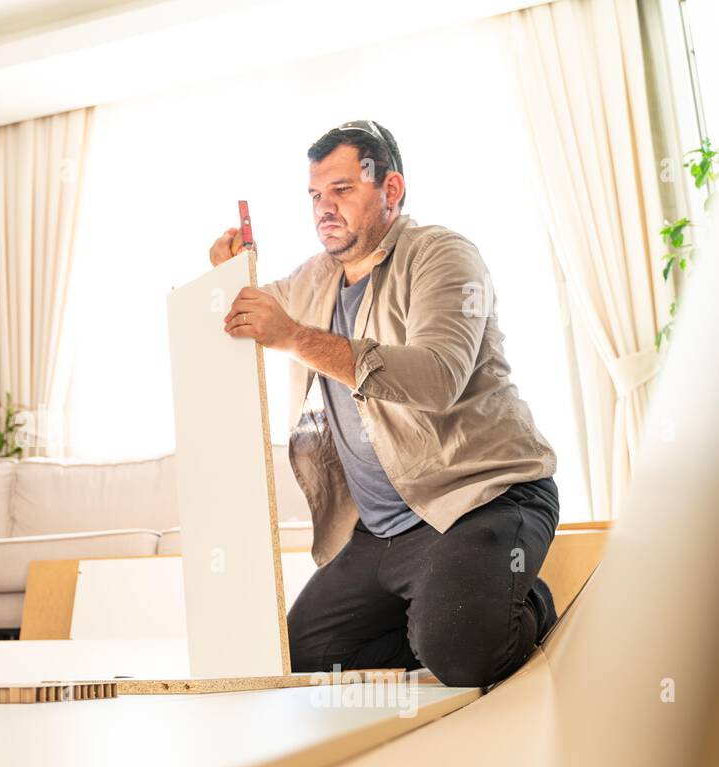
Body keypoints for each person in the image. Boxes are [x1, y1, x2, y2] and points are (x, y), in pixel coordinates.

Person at [210, 120, 559, 688]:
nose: (325, 208)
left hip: (479, 500)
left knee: (463, 656)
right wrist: (226, 273)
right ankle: (450, 610)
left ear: (390, 189)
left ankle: (510, 605)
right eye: (316, 196)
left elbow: (439, 376)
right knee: (301, 658)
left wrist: (296, 337)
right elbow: (242, 311)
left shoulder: (443, 256)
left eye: (343, 190)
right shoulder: (315, 278)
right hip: (382, 534)